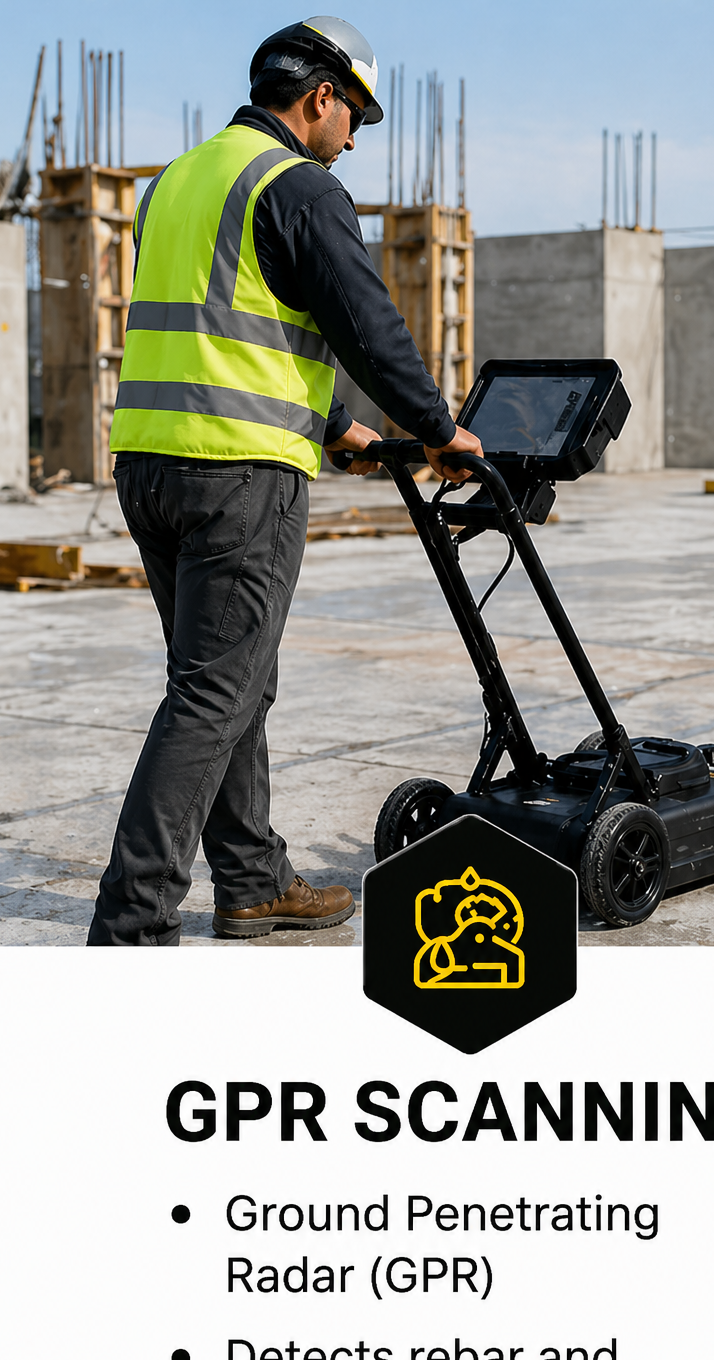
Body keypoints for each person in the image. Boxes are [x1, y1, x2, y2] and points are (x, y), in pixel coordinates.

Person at [87, 16, 482, 946]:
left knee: (230, 684)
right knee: (213, 697)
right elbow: (365, 322)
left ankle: (253, 880)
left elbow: (226, 325)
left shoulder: (174, 181)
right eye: (357, 120)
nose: (355, 141)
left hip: (149, 463)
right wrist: (437, 429)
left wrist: (333, 422)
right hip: (239, 476)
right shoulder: (296, 185)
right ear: (321, 98)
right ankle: (130, 927)